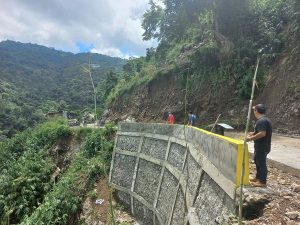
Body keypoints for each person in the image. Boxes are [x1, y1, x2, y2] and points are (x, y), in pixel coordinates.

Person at [247, 104, 272, 187]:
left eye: (254, 110)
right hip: (261, 146)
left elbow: (262, 133)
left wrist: (251, 138)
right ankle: (258, 178)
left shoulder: (261, 121)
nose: (253, 112)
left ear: (256, 111)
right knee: (257, 160)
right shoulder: (264, 120)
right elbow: (260, 131)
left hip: (262, 146)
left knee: (261, 163)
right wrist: (253, 133)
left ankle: (262, 181)